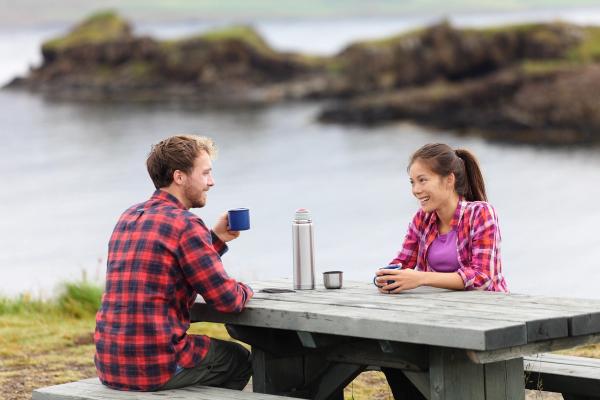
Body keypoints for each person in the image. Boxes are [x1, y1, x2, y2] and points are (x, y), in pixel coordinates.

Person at [94, 135, 253, 392]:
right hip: (155, 365)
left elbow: (173, 262)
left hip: (110, 362)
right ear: (180, 177)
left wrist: (216, 239)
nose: (211, 182)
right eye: (206, 173)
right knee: (238, 359)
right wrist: (248, 290)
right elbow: (229, 300)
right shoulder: (186, 224)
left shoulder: (129, 216)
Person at [374, 142, 508, 293]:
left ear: (449, 180)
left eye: (422, 180)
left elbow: (481, 277)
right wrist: (386, 277)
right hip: (439, 309)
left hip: (489, 309)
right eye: (412, 182)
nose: (415, 190)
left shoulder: (480, 213)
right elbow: (403, 263)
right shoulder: (421, 219)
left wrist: (421, 278)